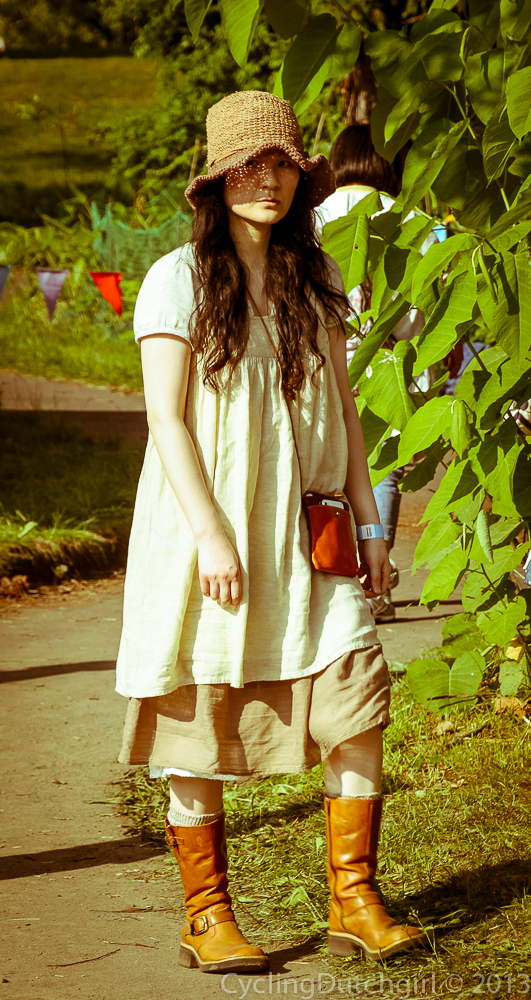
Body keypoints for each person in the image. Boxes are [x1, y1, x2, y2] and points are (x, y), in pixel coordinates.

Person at [116, 91, 426, 973]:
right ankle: (206, 913)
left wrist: (372, 523)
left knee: (356, 694)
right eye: (248, 165)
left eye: (282, 163)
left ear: (300, 176)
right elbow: (166, 420)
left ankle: (353, 899)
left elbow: (346, 411)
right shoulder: (176, 279)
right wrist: (211, 535)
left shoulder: (313, 277)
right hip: (208, 533)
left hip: (311, 531)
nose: (268, 180)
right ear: (217, 181)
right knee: (197, 709)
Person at [317, 125, 438, 624]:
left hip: (325, 361)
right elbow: (413, 322)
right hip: (387, 364)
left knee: (326, 468)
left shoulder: (311, 216)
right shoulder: (414, 221)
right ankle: (377, 584)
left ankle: (329, 577)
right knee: (381, 469)